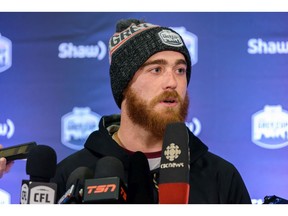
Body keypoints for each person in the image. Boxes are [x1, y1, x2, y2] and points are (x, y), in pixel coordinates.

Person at [52, 18, 251, 204]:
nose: (172, 82)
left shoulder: (221, 176)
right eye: (156, 69)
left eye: (180, 70)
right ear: (124, 84)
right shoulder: (72, 175)